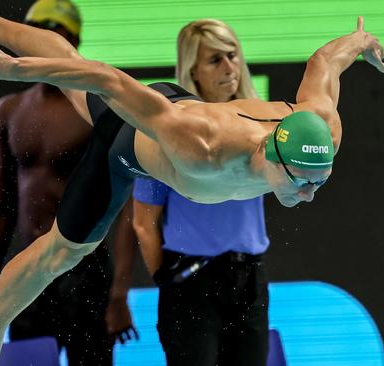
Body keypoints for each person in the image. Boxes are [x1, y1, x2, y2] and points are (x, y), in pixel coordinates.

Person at [0, 1, 384, 363]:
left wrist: (362, 40)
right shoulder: (201, 146)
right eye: (301, 183)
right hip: (132, 141)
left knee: (78, 89)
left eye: (317, 184)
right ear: (271, 153)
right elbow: (108, 80)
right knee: (63, 249)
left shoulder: (322, 128)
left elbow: (325, 63)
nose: (308, 195)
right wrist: (9, 70)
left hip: (175, 109)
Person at [0, 1, 137, 364]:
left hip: (85, 269)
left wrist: (118, 295)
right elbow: (2, 207)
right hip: (28, 270)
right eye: (30, 33)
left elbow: (128, 207)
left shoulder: (98, 107)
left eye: (47, 33)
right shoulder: (10, 109)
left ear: (70, 39)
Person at [132, 19, 270, 366]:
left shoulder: (264, 123)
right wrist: (168, 280)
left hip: (249, 280)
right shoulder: (171, 131)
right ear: (192, 70)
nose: (229, 68)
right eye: (215, 60)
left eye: (232, 55)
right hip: (191, 283)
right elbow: (143, 222)